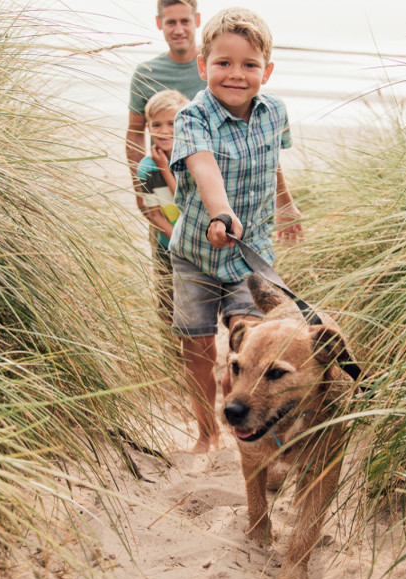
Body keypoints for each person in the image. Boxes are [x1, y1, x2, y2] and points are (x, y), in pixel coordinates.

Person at [168, 7, 304, 453]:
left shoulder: (275, 112)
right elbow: (204, 167)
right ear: (204, 66)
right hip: (196, 254)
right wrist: (220, 214)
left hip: (252, 254)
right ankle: (206, 433)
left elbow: (271, 162)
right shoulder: (193, 117)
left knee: (250, 342)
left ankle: (249, 417)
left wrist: (284, 203)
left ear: (266, 70)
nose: (236, 74)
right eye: (223, 63)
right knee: (199, 347)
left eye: (249, 65)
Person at [126, 0, 206, 217]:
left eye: (185, 21)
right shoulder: (146, 73)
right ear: (159, 23)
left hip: (207, 183)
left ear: (197, 20)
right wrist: (140, 188)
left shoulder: (212, 68)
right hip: (160, 180)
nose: (178, 30)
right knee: (164, 245)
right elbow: (134, 132)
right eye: (171, 22)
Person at [137, 89, 189, 325]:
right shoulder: (147, 167)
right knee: (167, 304)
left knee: (194, 306)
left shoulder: (193, 159)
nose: (165, 131)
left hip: (197, 246)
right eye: (156, 124)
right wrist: (174, 239)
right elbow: (154, 213)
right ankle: (171, 358)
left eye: (172, 123)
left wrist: (165, 167)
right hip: (167, 247)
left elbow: (185, 200)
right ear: (148, 127)